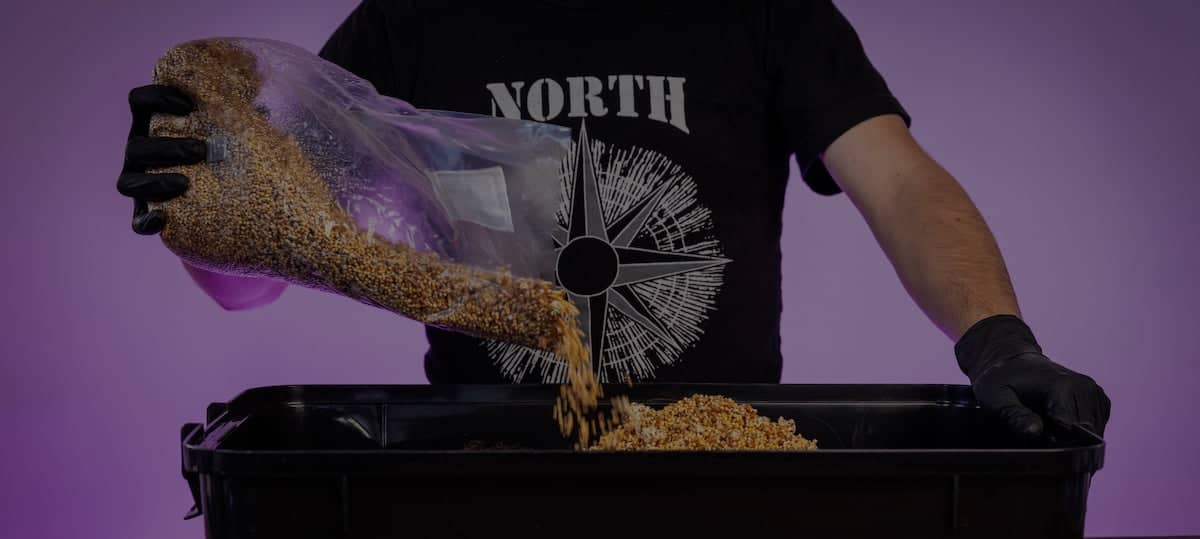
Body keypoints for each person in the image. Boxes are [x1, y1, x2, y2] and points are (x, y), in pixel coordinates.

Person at [116, 1, 1109, 439]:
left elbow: (896, 179)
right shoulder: (415, 18)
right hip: (477, 469)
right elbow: (270, 267)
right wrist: (199, 203)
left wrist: (996, 337)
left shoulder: (763, 11)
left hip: (721, 465)